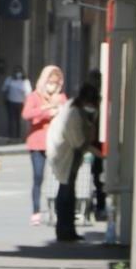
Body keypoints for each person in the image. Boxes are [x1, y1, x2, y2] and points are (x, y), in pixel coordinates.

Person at [47, 83, 101, 242]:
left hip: (67, 153)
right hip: (65, 154)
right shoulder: (74, 114)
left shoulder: (76, 109)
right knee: (66, 192)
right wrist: (95, 149)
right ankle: (64, 230)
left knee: (69, 192)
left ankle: (68, 229)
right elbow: (78, 141)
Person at [22, 65, 66, 226]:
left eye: (55, 83)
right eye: (50, 82)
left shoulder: (61, 97)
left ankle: (56, 210)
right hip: (37, 142)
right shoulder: (34, 96)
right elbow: (27, 114)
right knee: (38, 177)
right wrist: (46, 111)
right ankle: (36, 211)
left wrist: (59, 111)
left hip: (56, 143)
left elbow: (67, 115)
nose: (52, 86)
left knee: (58, 178)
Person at [2, 66, 30, 139]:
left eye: (19, 71)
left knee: (19, 120)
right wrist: (4, 99)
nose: (18, 73)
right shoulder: (10, 79)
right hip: (11, 102)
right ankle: (10, 136)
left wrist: (27, 103)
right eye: (16, 71)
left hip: (21, 103)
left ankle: (18, 136)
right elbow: (4, 89)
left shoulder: (25, 81)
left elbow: (28, 93)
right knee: (11, 119)